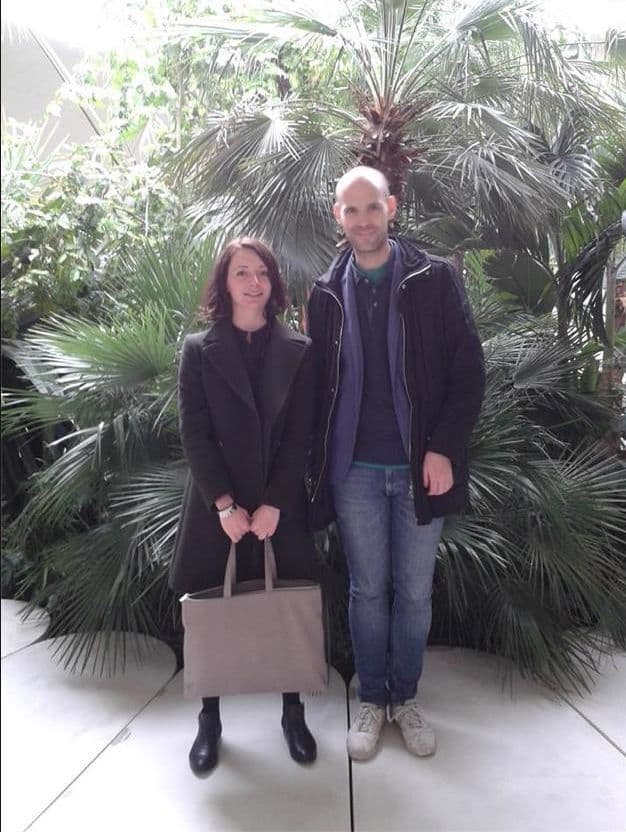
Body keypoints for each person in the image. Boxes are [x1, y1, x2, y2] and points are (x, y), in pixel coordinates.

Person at [307, 166, 485, 762]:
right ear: (339, 216)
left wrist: (442, 448)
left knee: (412, 592)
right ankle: (373, 698)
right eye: (351, 210)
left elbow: (467, 373)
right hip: (353, 469)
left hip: (418, 468)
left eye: (372, 208)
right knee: (366, 591)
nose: (362, 221)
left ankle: (404, 698)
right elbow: (317, 387)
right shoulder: (326, 290)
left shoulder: (433, 280)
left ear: (392, 208)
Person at [170, 237, 319, 775]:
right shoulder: (197, 350)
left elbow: (301, 434)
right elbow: (194, 432)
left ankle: (293, 713)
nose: (253, 282)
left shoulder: (299, 349)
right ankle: (209, 721)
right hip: (219, 507)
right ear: (224, 282)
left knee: (287, 605)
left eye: (261, 272)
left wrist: (277, 501)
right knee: (212, 610)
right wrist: (225, 504)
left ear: (273, 283)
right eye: (241, 273)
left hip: (279, 506)